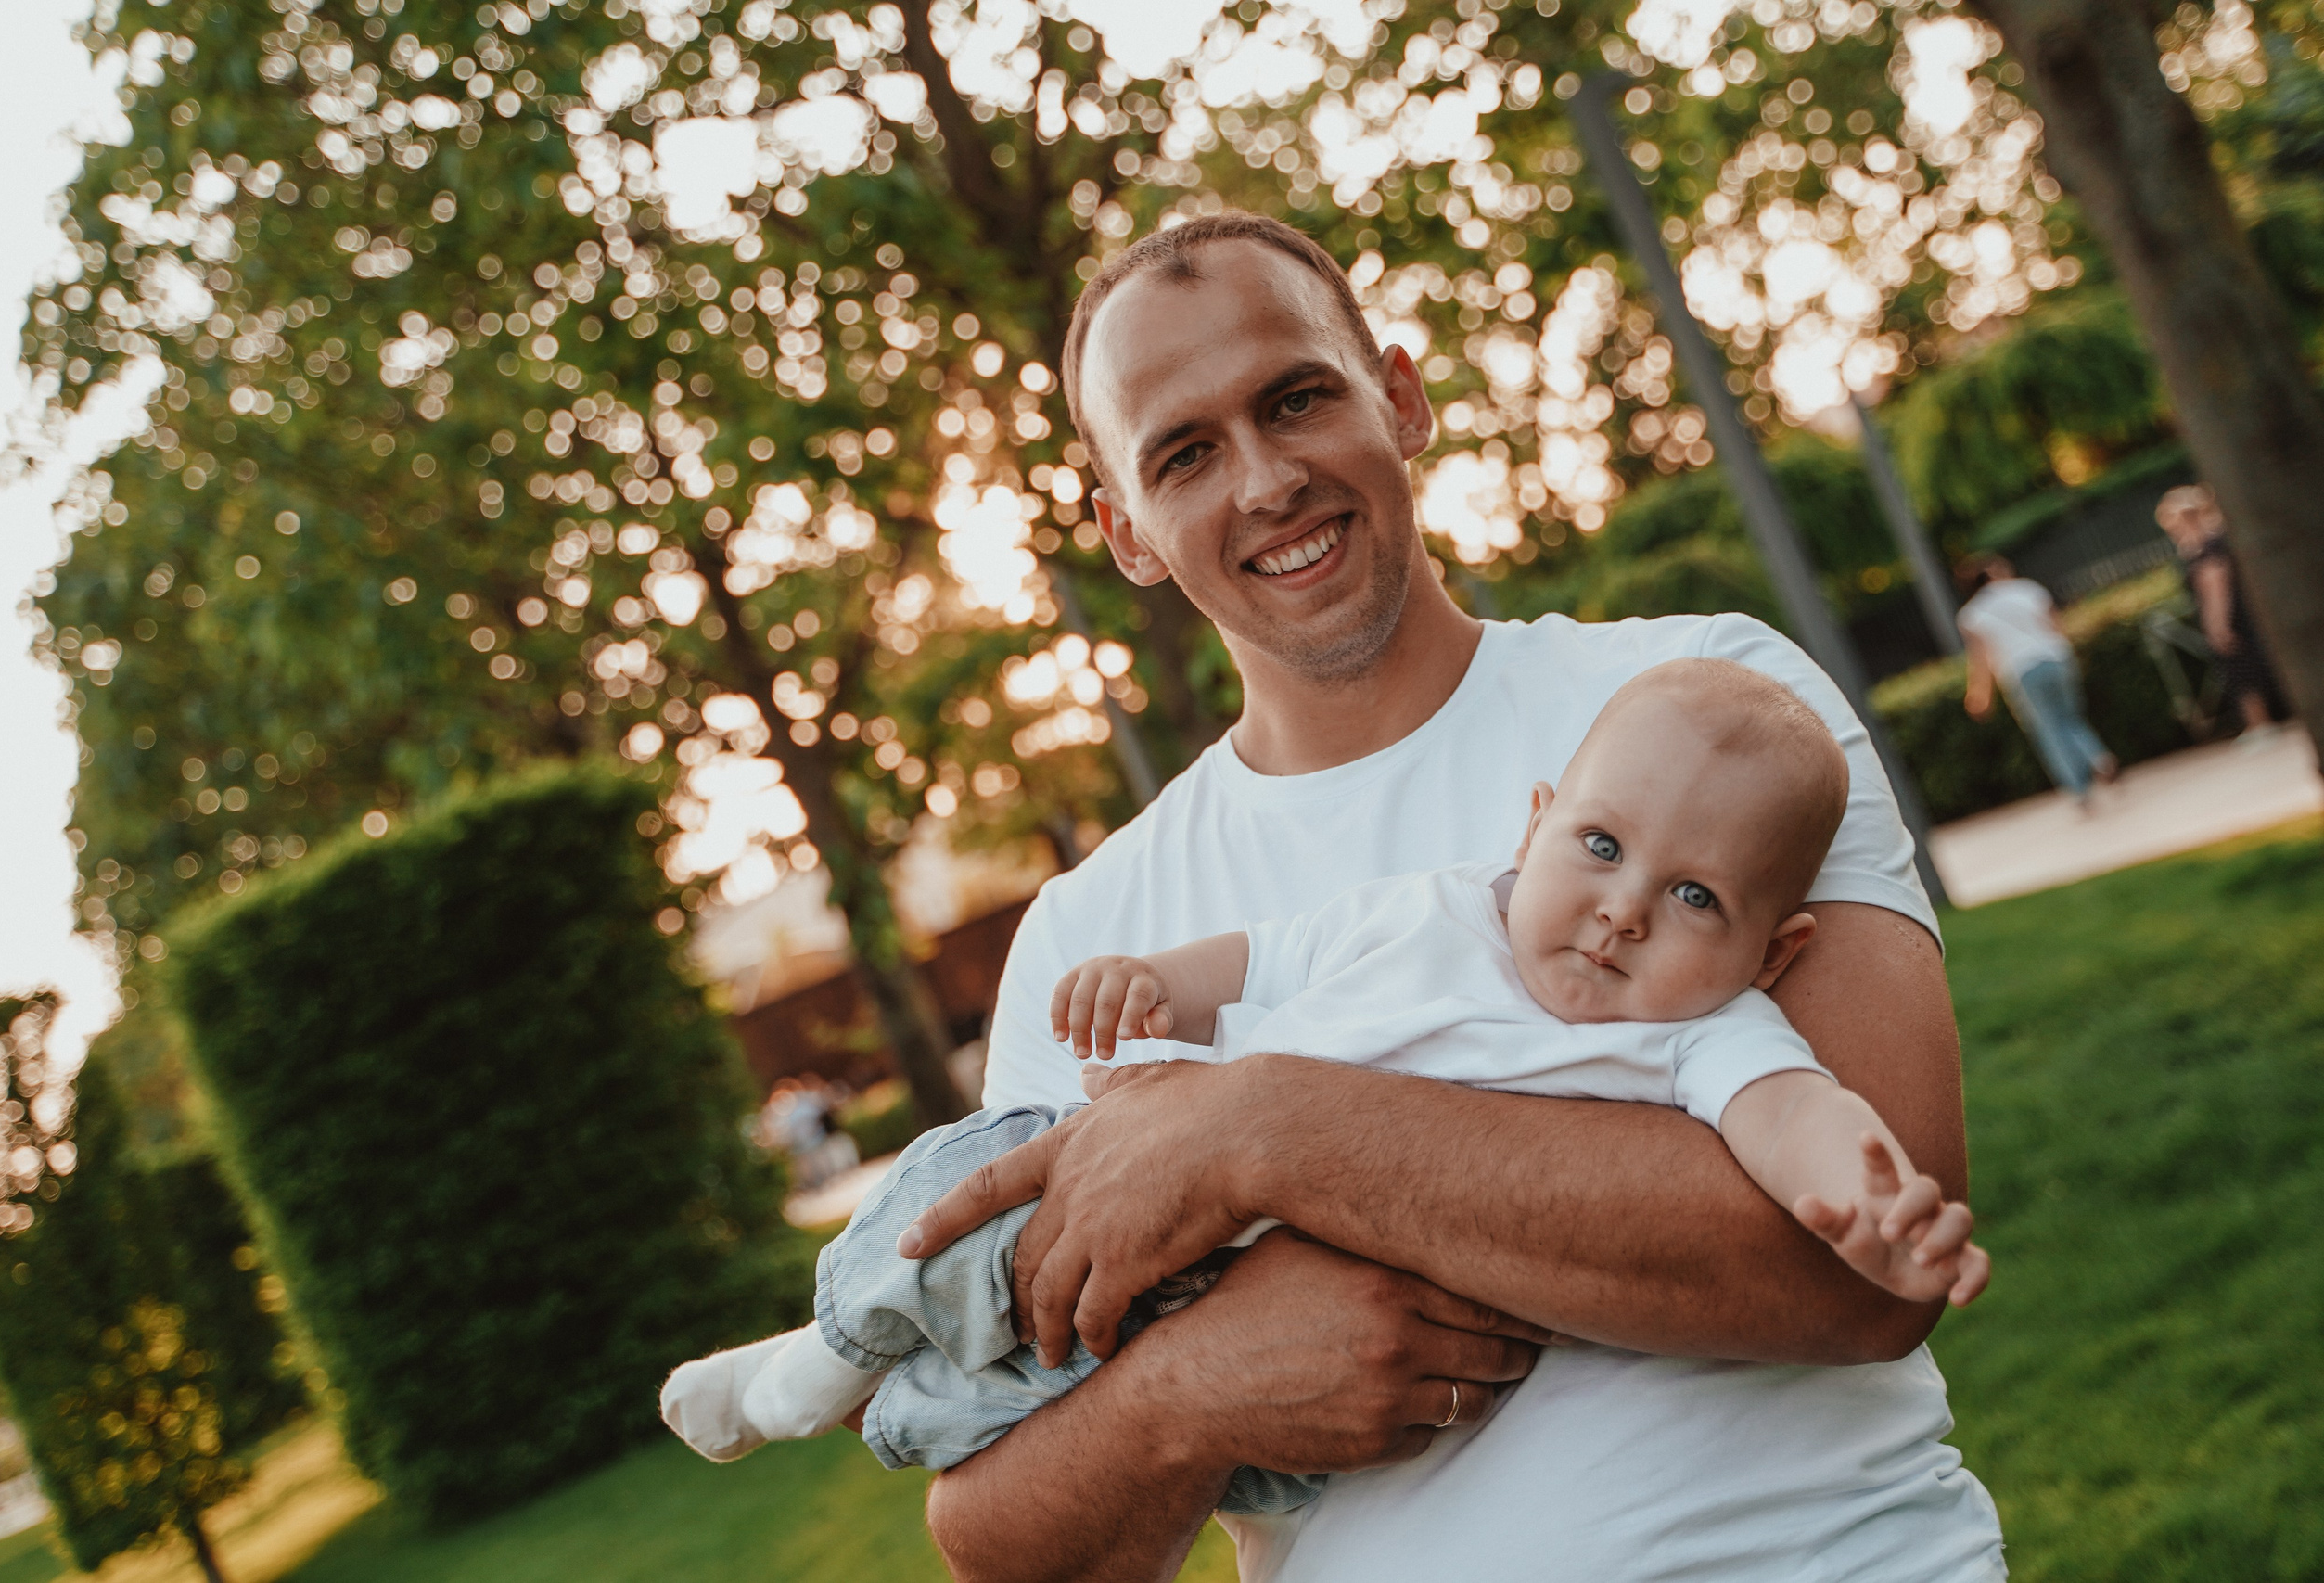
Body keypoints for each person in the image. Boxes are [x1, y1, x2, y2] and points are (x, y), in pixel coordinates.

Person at [825, 212, 1989, 1582]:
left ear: (1401, 398)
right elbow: (1002, 1544)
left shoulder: (1713, 715)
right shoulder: (1091, 937)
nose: (1267, 480)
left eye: (1296, 398)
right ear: (1127, 531)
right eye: (1185, 452)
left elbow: (1864, 1272)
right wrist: (1184, 1393)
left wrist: (1262, 1132)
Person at [658, 663, 1992, 1504]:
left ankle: (873, 1396)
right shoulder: (1435, 912)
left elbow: (1792, 1113)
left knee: (1009, 1405)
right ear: (1535, 823)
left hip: (1319, 1354)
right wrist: (1153, 983)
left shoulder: (1703, 1031)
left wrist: (1871, 1200)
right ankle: (822, 1354)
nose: (1625, 910)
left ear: (1773, 950)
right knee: (982, 1176)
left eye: (1695, 896)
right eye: (1599, 846)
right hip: (1155, 1213)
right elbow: (1264, 957)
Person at [1957, 554, 2117, 804]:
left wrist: (1979, 693)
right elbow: (2055, 626)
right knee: (2070, 717)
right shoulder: (2027, 589)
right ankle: (2098, 758)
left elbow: (1981, 657)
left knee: (2049, 730)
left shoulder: (1972, 614)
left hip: (2022, 671)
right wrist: (2071, 657)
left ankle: (2078, 790)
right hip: (2056, 658)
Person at [2156, 484, 2286, 743]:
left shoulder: (2205, 545)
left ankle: (2260, 723)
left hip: (2231, 616)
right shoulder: (2210, 540)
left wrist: (2217, 624)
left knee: (2241, 668)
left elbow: (2215, 586)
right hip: (2239, 613)